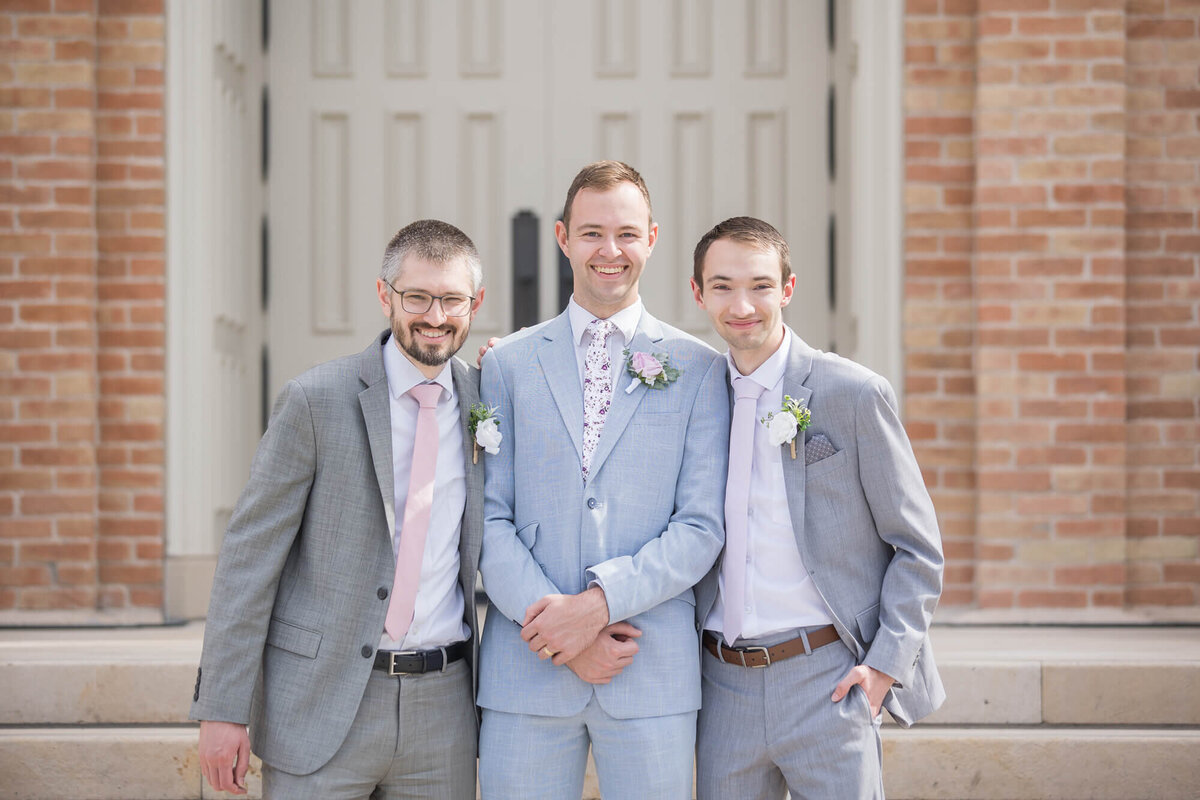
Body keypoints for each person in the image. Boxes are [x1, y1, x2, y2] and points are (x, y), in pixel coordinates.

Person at [191, 219, 487, 799]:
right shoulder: (315, 400)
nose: (435, 316)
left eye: (451, 299)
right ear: (385, 296)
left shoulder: (488, 401)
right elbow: (249, 561)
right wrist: (222, 709)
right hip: (321, 700)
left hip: (444, 708)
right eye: (417, 297)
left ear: (475, 304)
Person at [476, 161, 729, 799]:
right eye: (591, 233)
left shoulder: (699, 369)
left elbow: (700, 528)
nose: (609, 251)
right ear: (562, 238)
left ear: (651, 239)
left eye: (625, 234)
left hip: (646, 666)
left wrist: (593, 611)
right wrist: (556, 634)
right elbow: (487, 517)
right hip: (525, 671)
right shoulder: (507, 364)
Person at [689, 216, 945, 800]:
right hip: (720, 684)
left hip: (827, 677)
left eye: (759, 284)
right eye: (722, 286)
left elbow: (917, 548)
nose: (742, 304)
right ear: (698, 293)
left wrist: (884, 665)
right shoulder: (692, 394)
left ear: (788, 288)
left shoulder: (852, 393)